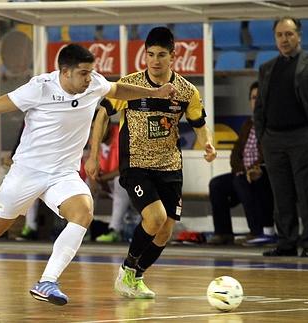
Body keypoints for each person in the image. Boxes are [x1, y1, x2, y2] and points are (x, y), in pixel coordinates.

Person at [0, 43, 177, 307]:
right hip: (27, 172)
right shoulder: (41, 88)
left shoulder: (94, 84)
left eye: (91, 72)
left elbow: (117, 89)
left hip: (62, 174)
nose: (89, 78)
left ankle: (47, 281)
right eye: (83, 73)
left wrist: (156, 92)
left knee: (83, 211)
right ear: (65, 72)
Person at [85, 27, 216, 299]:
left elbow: (199, 123)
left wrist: (207, 143)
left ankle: (136, 275)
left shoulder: (185, 91)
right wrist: (93, 155)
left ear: (173, 56)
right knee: (154, 217)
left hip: (170, 166)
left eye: (162, 55)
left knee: (166, 230)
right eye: (151, 54)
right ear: (145, 55)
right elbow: (101, 115)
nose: (155, 61)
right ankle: (126, 270)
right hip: (136, 165)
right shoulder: (129, 85)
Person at [254, 17, 308, 258]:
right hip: (274, 140)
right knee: (281, 195)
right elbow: (259, 106)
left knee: (307, 192)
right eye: (279, 35)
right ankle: (287, 242)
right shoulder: (266, 68)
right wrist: (263, 136)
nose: (284, 39)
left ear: (299, 35)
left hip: (304, 137)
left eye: (289, 34)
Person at [206, 82, 276, 246]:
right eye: (252, 98)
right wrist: (240, 170)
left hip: (263, 173)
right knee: (217, 184)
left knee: (241, 180)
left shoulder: (271, 125)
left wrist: (253, 169)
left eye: (259, 97)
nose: (255, 101)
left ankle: (257, 232)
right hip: (243, 173)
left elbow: (270, 153)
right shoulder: (247, 124)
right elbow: (235, 153)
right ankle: (223, 233)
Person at [89, 99, 135, 243]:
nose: (96, 132)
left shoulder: (122, 136)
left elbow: (125, 168)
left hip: (129, 186)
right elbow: (90, 166)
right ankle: (82, 228)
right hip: (105, 184)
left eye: (99, 127)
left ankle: (114, 230)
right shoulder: (93, 141)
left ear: (108, 125)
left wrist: (102, 179)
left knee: (120, 181)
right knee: (82, 184)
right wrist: (93, 180)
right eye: (93, 128)